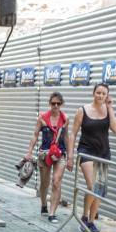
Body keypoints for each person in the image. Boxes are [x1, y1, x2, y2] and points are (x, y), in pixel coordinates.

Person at [69, 83, 116, 232]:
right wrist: (71, 156)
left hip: (103, 153)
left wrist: (110, 108)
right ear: (93, 93)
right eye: (98, 93)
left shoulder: (108, 110)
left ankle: (91, 221)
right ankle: (84, 217)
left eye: (104, 94)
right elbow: (73, 133)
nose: (100, 96)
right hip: (86, 151)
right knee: (92, 186)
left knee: (99, 189)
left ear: (107, 96)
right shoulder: (82, 110)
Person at [15, 92, 73, 223]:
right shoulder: (42, 118)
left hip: (60, 154)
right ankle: (43, 205)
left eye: (58, 103)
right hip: (45, 154)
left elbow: (66, 137)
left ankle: (52, 213)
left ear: (61, 104)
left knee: (56, 181)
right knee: (45, 183)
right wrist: (29, 152)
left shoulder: (65, 119)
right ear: (49, 104)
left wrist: (70, 157)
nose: (56, 106)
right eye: (53, 103)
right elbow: (35, 135)